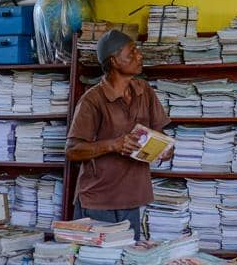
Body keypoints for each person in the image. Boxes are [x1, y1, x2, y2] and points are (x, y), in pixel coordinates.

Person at [65, 31, 170, 240]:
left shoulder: (144, 90)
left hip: (131, 198)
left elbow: (161, 132)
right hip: (98, 200)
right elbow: (72, 151)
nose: (139, 56)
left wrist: (166, 148)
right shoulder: (92, 100)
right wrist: (113, 145)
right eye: (132, 53)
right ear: (113, 61)